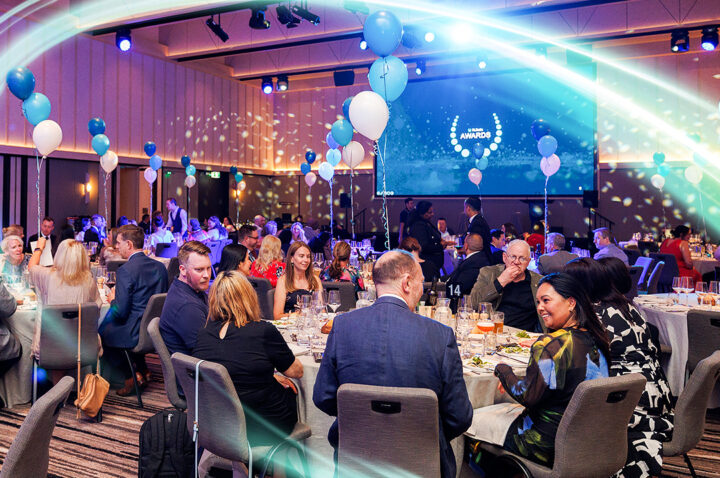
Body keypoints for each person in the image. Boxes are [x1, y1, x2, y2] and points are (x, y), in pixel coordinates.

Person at [313, 250, 473, 478]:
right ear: (407, 283)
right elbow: (459, 416)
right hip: (422, 463)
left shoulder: (343, 326)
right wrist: (419, 433)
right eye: (421, 283)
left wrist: (363, 423)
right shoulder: (440, 335)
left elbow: (323, 397)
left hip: (356, 461)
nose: (422, 290)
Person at [472, 273, 609, 468]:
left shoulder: (550, 344)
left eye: (546, 300)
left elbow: (527, 395)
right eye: (538, 302)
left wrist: (503, 370)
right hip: (586, 441)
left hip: (543, 442)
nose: (539, 308)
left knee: (468, 419)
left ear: (571, 303)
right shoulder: (597, 338)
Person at [564, 258, 674, 477]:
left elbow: (572, 365)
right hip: (657, 397)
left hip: (630, 403)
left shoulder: (592, 318)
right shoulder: (625, 306)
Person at [193, 271, 303, 446]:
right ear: (249, 297)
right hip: (261, 425)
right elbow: (296, 372)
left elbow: (229, 366)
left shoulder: (203, 333)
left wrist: (267, 374)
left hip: (218, 423)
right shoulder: (263, 330)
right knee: (293, 391)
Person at [99, 225, 168, 396]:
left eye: (118, 243)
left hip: (133, 330)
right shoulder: (160, 267)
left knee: (101, 333)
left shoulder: (126, 270)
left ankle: (130, 377)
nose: (116, 246)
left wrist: (112, 300)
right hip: (153, 329)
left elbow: (121, 312)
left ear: (129, 244)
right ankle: (143, 369)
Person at [28, 237, 101, 358]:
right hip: (83, 348)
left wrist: (39, 248)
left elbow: (31, 267)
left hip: (49, 348)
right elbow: (96, 311)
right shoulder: (89, 280)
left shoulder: (47, 275)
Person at [470, 239, 543, 332]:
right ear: (504, 258)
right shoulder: (489, 273)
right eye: (513, 257)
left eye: (522, 258)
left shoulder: (538, 281)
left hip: (525, 336)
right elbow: (473, 303)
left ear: (528, 262)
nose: (516, 262)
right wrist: (500, 281)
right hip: (493, 332)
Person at [159, 241, 212, 357]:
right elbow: (207, 351)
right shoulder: (186, 306)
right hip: (196, 365)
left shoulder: (193, 290)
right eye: (199, 269)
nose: (207, 275)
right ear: (183, 270)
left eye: (208, 268)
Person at [273, 241, 322, 318]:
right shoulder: (283, 281)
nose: (306, 260)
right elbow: (277, 316)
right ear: (292, 259)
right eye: (301, 256)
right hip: (290, 323)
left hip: (312, 322)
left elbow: (322, 311)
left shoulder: (315, 280)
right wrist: (295, 315)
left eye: (308, 256)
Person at [408, 200, 451, 271]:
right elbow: (423, 247)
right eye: (430, 212)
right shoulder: (418, 226)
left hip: (433, 265)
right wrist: (440, 246)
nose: (432, 214)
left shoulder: (426, 223)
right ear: (422, 213)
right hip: (427, 266)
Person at [465, 197, 493, 263]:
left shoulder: (477, 223)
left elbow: (475, 245)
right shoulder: (478, 220)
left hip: (480, 261)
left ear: (468, 208)